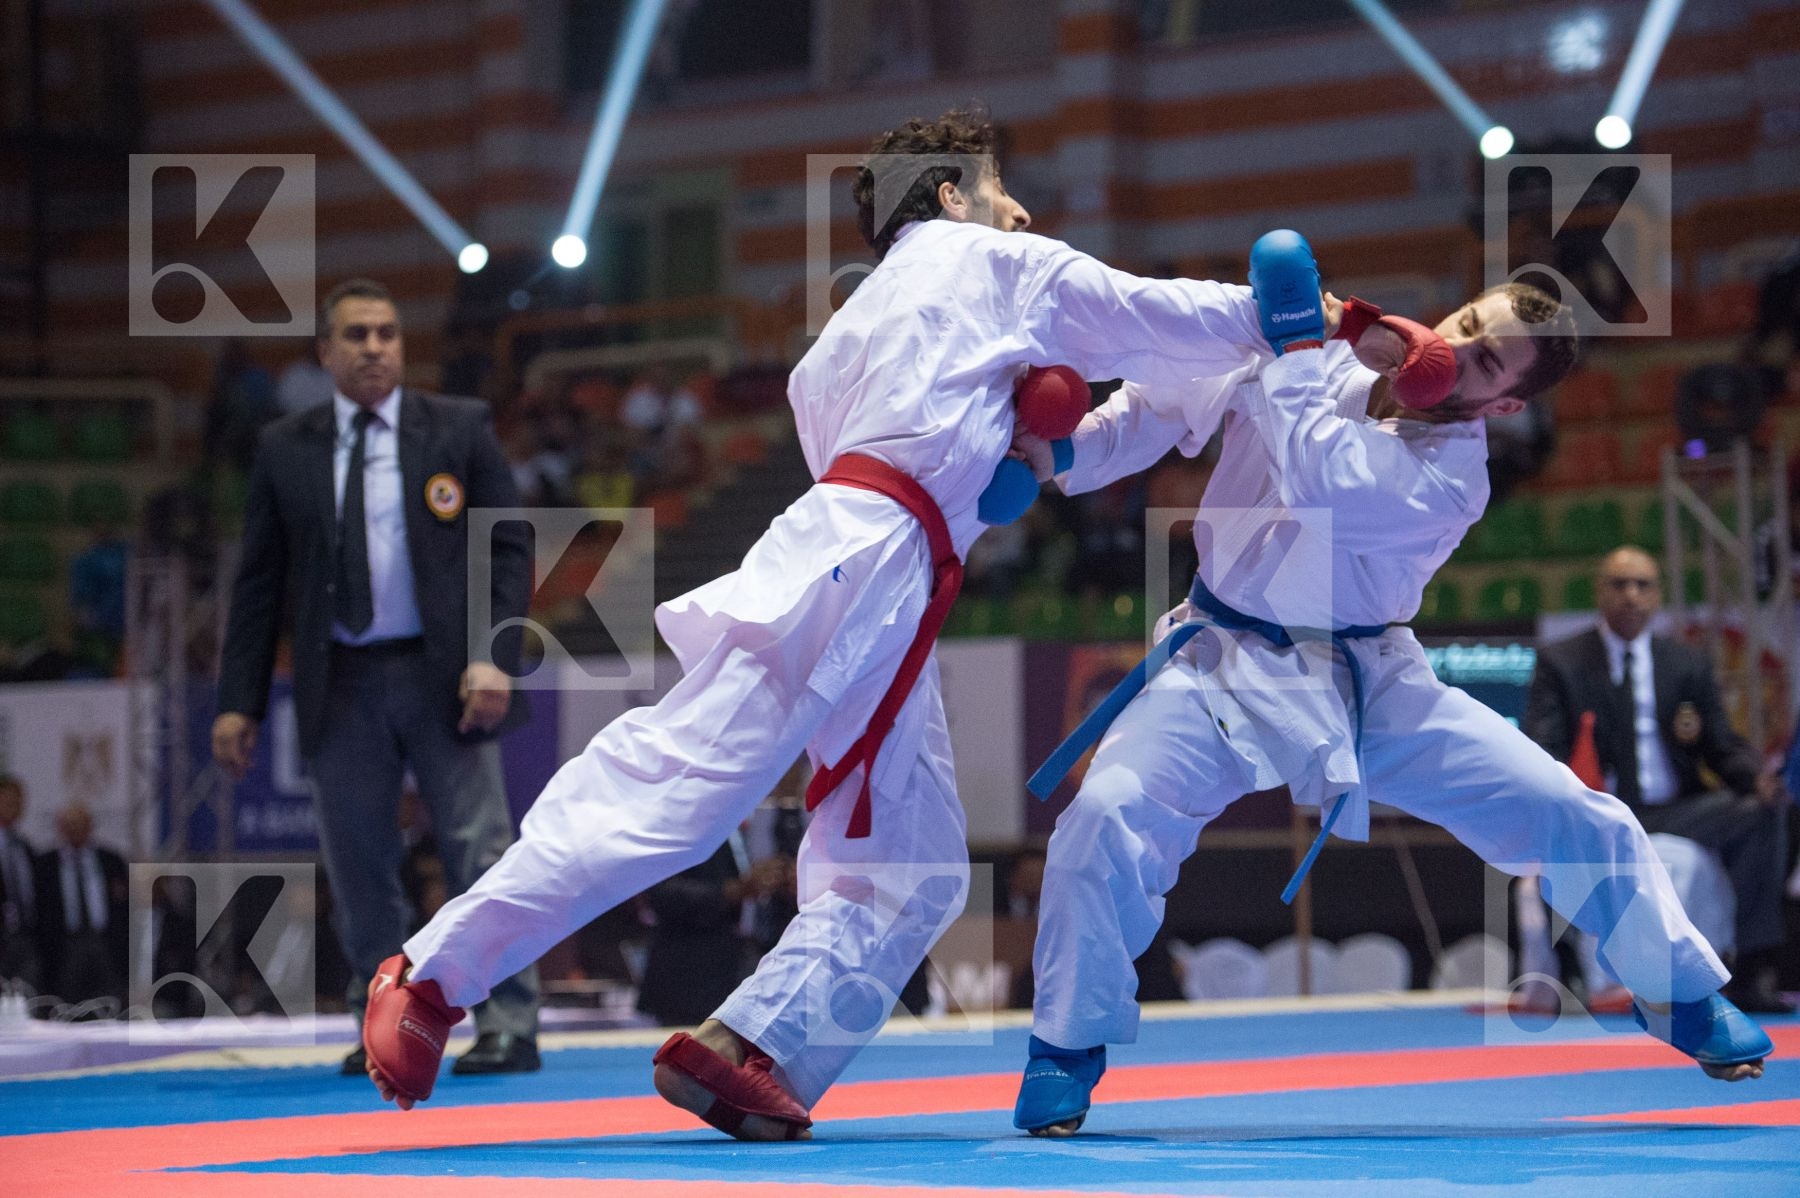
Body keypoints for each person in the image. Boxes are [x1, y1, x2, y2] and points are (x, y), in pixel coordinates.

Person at [360, 107, 1276, 1137]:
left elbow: (917, 443)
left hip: (892, 574)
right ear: (947, 196)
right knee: (679, 788)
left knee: (911, 865)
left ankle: (753, 1045)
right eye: (998, 186)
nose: (1018, 208)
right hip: (858, 563)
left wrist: (1008, 453)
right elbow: (1139, 313)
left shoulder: (837, 344)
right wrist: (1275, 315)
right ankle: (430, 976)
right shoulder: (984, 260)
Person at [1007, 270, 1773, 1138]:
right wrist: (1071, 452)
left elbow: (1321, 480)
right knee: (1103, 814)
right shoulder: (1327, 344)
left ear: (1504, 407)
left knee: (1569, 808)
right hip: (1221, 659)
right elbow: (1171, 400)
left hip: (1369, 680)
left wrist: (1300, 344)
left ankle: (1678, 992)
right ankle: (1068, 1042)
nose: (1459, 350)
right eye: (1467, 324)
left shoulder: (1449, 477)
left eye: (1486, 364)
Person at [213, 278, 542, 1078]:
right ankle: (382, 1017)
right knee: (360, 862)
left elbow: (509, 543)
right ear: (325, 351)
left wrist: (494, 655)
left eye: (387, 333)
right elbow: (259, 583)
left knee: (480, 850)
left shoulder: (457, 427)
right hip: (343, 677)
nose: (373, 348)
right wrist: (237, 701)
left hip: (446, 674)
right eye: (356, 335)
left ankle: (508, 1018)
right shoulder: (287, 446)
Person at [1526, 546, 1793, 1013]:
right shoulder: (1562, 662)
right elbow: (1540, 748)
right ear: (1600, 593)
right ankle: (1568, 964)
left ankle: (1752, 965)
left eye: (1643, 585)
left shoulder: (1684, 663)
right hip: (1602, 808)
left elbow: (1720, 744)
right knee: (1557, 819)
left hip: (1676, 809)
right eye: (1619, 585)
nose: (1631, 596)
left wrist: (1756, 780)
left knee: (1760, 812)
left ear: (1657, 596)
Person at [36, 804, 128, 1010]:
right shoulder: (45, 864)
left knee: (109, 1002)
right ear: (60, 828)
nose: (75, 830)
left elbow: (123, 907)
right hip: (65, 944)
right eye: (69, 825)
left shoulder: (111, 861)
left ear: (90, 827)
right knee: (65, 1005)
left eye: (80, 824)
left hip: (104, 942)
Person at [0, 776, 44, 996]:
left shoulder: (24, 846)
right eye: (7, 801)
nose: (14, 806)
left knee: (27, 997)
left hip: (25, 936)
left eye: (18, 801)